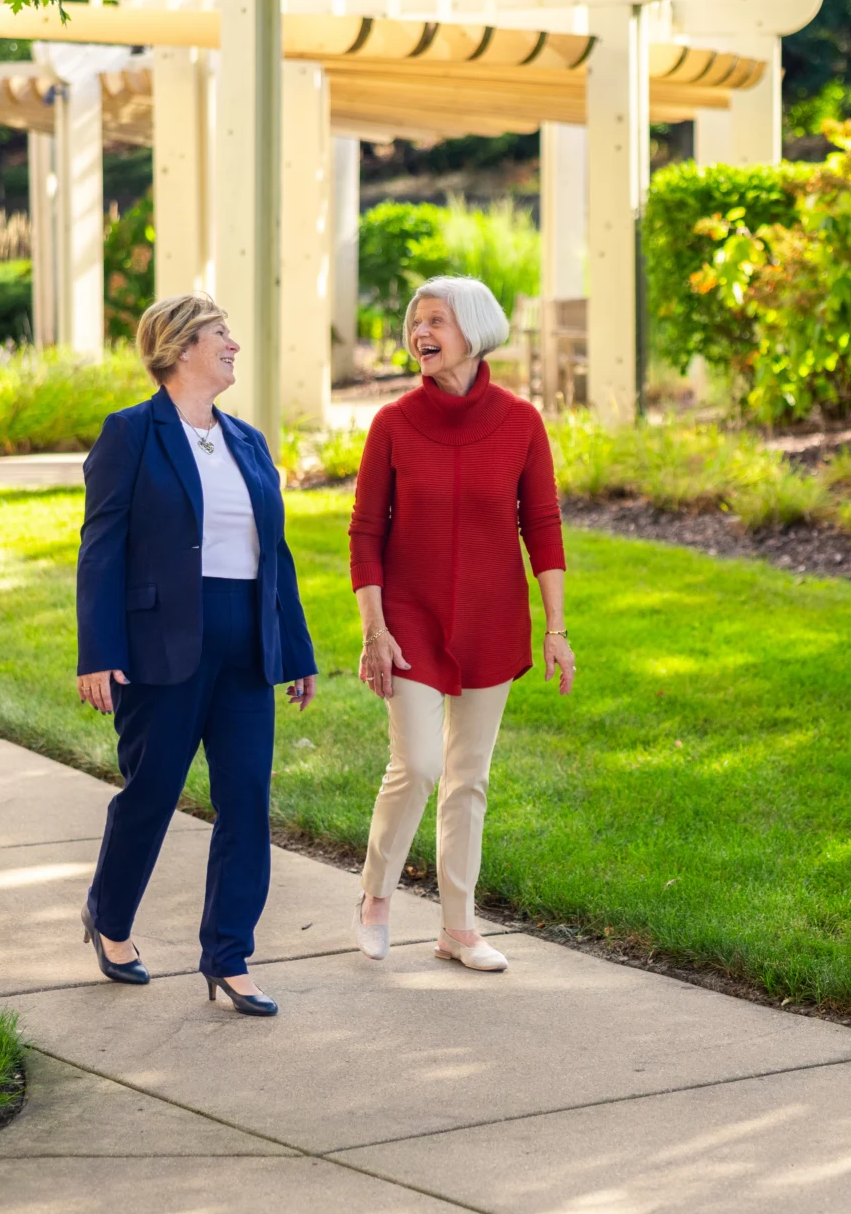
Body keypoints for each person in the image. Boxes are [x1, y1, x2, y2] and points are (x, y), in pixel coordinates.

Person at [74, 292, 318, 1017]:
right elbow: (101, 550)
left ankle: (229, 955)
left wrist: (295, 648)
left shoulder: (247, 440)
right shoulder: (130, 435)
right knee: (152, 792)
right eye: (221, 335)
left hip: (245, 644)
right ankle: (110, 919)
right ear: (182, 348)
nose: (234, 346)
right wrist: (98, 651)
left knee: (246, 798)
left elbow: (273, 552)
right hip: (163, 646)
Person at [348, 275, 575, 971]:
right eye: (415, 320)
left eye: (436, 320)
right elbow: (364, 532)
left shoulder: (520, 422)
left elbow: (542, 524)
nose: (420, 332)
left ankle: (458, 926)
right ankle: (376, 894)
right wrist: (374, 628)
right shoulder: (391, 424)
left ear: (472, 331)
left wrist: (555, 627)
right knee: (415, 765)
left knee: (467, 776)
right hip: (408, 617)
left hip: (490, 616)